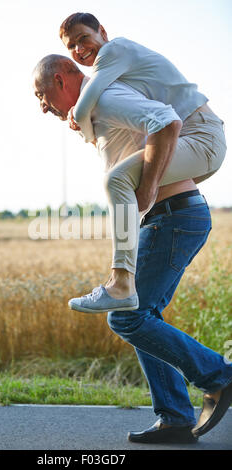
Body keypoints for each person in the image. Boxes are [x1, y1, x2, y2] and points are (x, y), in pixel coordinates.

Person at [32, 54, 232, 443]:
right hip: (168, 217)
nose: (42, 107)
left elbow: (165, 121)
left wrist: (149, 189)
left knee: (127, 317)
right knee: (140, 315)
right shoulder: (97, 106)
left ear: (60, 80)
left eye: (41, 95)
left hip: (173, 215)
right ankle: (174, 415)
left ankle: (219, 377)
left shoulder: (107, 97)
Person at [58, 12, 227, 313]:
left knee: (117, 179)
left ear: (103, 32)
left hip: (201, 135)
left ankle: (121, 284)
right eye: (71, 46)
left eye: (84, 38)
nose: (80, 50)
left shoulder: (114, 51)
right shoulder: (111, 71)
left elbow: (86, 101)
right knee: (128, 175)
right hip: (193, 138)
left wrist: (78, 122)